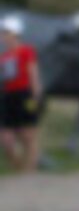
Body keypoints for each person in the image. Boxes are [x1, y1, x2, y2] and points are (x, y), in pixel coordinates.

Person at [1, 14, 41, 173]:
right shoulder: (3, 57)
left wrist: (35, 94)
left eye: (5, 32)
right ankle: (19, 167)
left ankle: (30, 170)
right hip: (7, 96)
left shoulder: (26, 51)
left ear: (14, 33)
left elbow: (33, 73)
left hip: (24, 94)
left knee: (28, 134)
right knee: (6, 138)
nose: (3, 36)